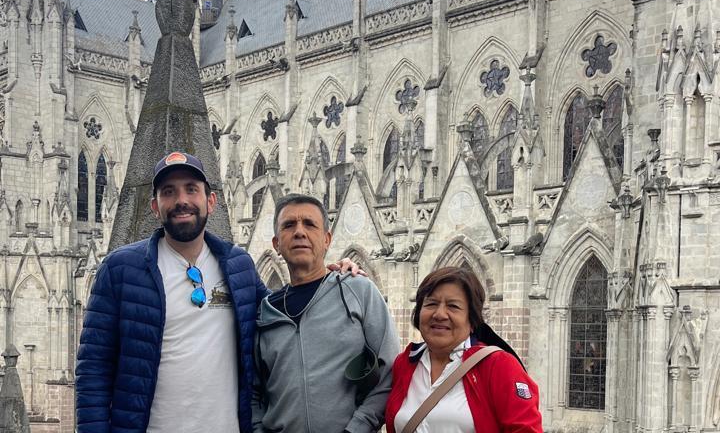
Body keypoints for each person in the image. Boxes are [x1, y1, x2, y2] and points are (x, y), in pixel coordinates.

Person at [76, 151, 362, 433]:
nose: (182, 200)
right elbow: (93, 370)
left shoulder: (238, 266)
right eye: (169, 192)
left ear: (210, 201)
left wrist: (327, 275)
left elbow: (281, 313)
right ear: (155, 206)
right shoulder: (121, 268)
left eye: (191, 189)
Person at [252, 194, 400, 433]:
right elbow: (255, 389)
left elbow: (390, 371)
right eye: (289, 225)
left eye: (310, 224)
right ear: (276, 244)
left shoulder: (358, 290)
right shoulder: (265, 311)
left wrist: (357, 429)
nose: (300, 232)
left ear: (327, 239)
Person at [385, 266, 543, 433]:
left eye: (453, 306)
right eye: (431, 303)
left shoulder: (499, 366)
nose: (439, 314)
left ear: (472, 318)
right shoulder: (404, 364)